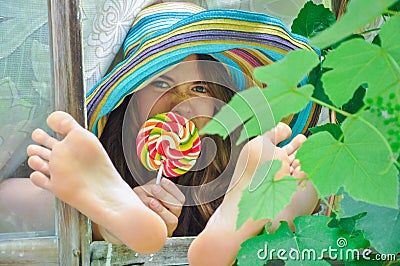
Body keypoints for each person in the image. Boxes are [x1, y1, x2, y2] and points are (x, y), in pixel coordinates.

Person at [27, 2, 320, 264]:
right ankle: (109, 222)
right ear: (130, 99)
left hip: (243, 191)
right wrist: (112, 218)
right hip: (115, 205)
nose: (182, 104)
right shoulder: (98, 156)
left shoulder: (240, 159)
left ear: (220, 104)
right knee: (30, 196)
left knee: (299, 179)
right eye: (161, 84)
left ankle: (252, 211)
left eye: (199, 88)